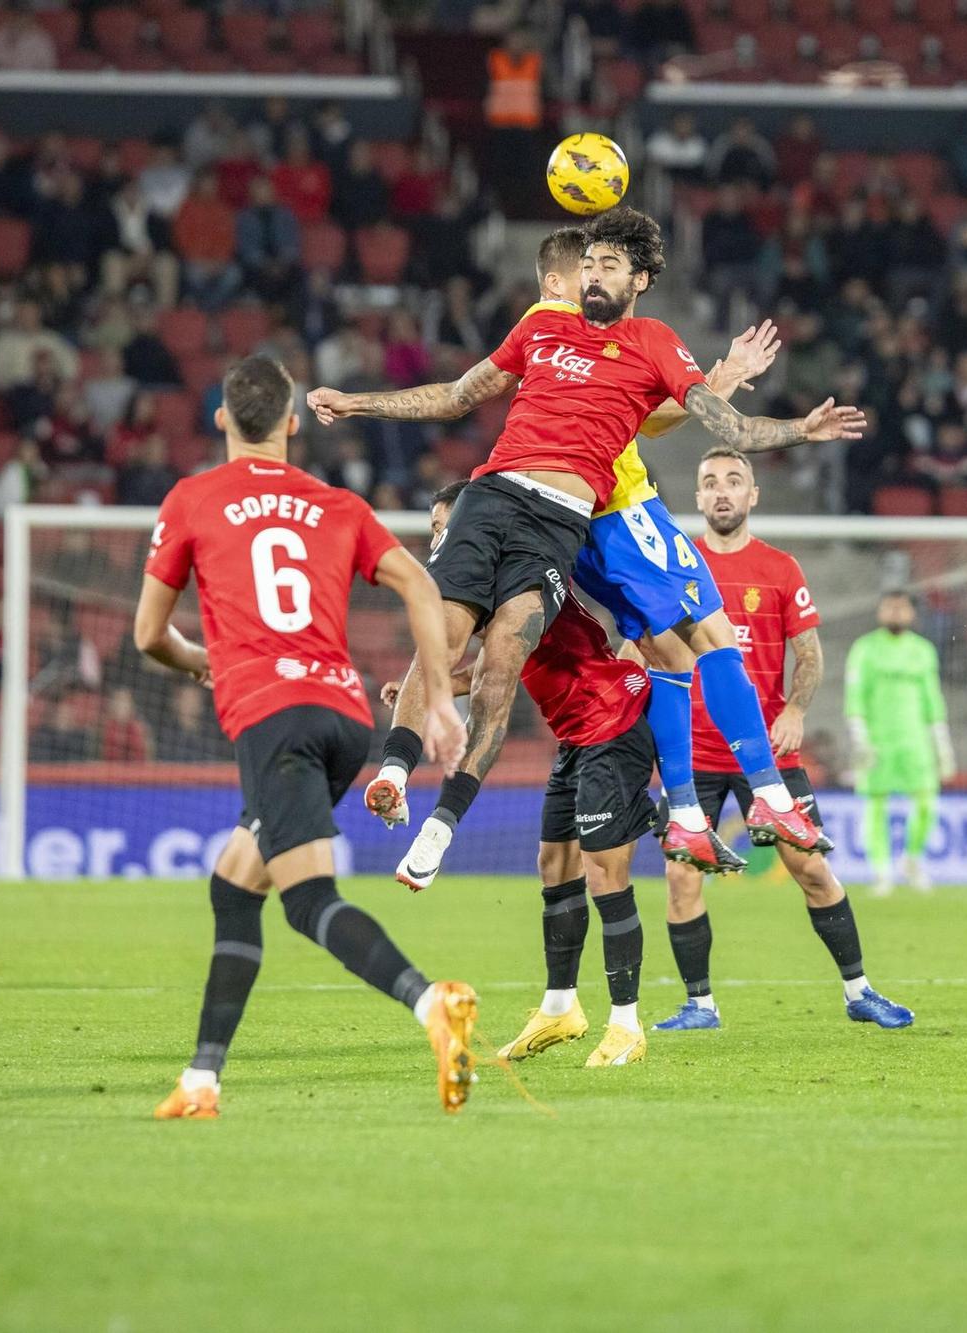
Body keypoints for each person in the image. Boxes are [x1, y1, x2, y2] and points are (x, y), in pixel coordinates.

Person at [308, 207, 864, 883]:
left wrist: (790, 424)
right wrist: (357, 403)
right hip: (540, 506)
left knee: (562, 659)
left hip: (566, 525)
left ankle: (664, 813)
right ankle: (757, 801)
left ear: (642, 279)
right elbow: (460, 393)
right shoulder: (542, 324)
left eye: (609, 265)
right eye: (589, 264)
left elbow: (710, 425)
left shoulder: (650, 342)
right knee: (694, 637)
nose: (594, 275)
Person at [132, 354, 477, 1120]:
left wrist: (201, 665)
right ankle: (201, 1079)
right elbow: (421, 583)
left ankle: (431, 1004)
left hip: (273, 717)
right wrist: (443, 704)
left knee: (309, 900)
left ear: (222, 419)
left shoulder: (193, 499)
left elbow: (149, 634)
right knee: (234, 884)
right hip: (346, 718)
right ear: (292, 424)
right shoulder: (338, 504)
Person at [380, 484, 664, 1068]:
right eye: (434, 527)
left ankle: (627, 1024)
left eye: (446, 523)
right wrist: (435, 686)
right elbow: (492, 667)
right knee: (553, 866)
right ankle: (561, 1009)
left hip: (610, 719)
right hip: (575, 731)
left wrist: (443, 684)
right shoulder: (479, 577)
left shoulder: (520, 569)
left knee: (604, 872)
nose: (441, 537)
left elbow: (496, 666)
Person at [654, 448, 913, 1032]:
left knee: (812, 869)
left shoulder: (780, 568)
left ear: (753, 496)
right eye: (710, 482)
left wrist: (796, 708)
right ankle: (699, 1006)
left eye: (734, 481)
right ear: (697, 498)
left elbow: (811, 654)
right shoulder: (674, 568)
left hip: (767, 757)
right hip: (692, 755)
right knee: (680, 875)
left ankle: (860, 991)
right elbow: (642, 646)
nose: (722, 492)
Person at [846, 590, 954, 895]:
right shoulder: (865, 649)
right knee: (875, 806)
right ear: (881, 612)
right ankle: (881, 872)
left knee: (926, 804)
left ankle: (912, 859)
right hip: (878, 740)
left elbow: (933, 698)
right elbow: (856, 695)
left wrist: (942, 743)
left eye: (901, 608)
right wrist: (858, 736)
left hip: (915, 741)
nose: (895, 613)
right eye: (889, 607)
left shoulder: (923, 650)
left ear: (911, 613)